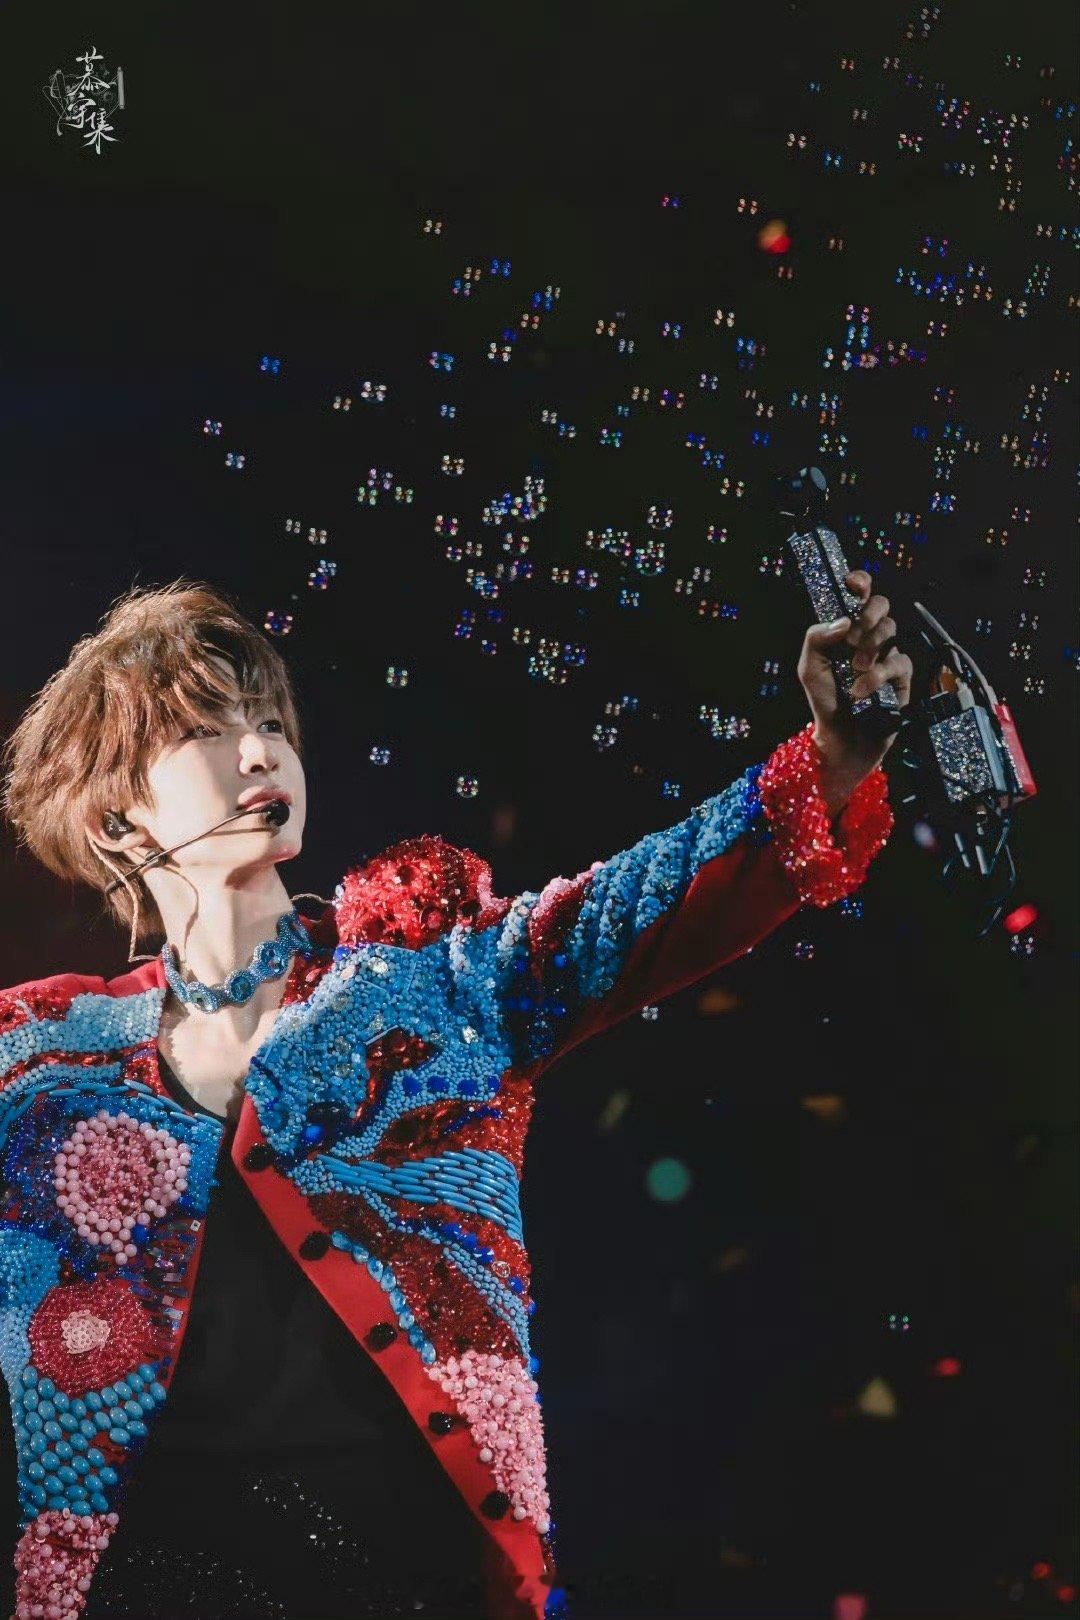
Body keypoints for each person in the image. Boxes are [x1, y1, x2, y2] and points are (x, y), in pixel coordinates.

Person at [0, 577, 908, 1619]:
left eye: (271, 724)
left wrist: (835, 757)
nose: (259, 752)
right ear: (118, 818)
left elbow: (648, 899)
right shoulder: (34, 1060)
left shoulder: (434, 979)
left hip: (407, 1580)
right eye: (208, 729)